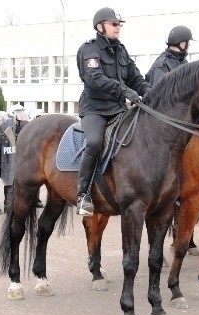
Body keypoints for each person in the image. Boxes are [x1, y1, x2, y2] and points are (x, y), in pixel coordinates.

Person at [76, 7, 152, 216]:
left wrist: (153, 94)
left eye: (119, 25)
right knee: (93, 142)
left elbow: (135, 79)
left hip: (118, 108)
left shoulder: (121, 51)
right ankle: (83, 195)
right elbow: (94, 78)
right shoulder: (89, 50)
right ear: (100, 27)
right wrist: (124, 90)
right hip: (95, 109)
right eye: (114, 24)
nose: (118, 28)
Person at [8, 104, 43, 208]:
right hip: (13, 156)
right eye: (19, 112)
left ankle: (34, 199)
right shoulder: (10, 126)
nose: (21, 114)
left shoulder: (26, 124)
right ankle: (12, 201)